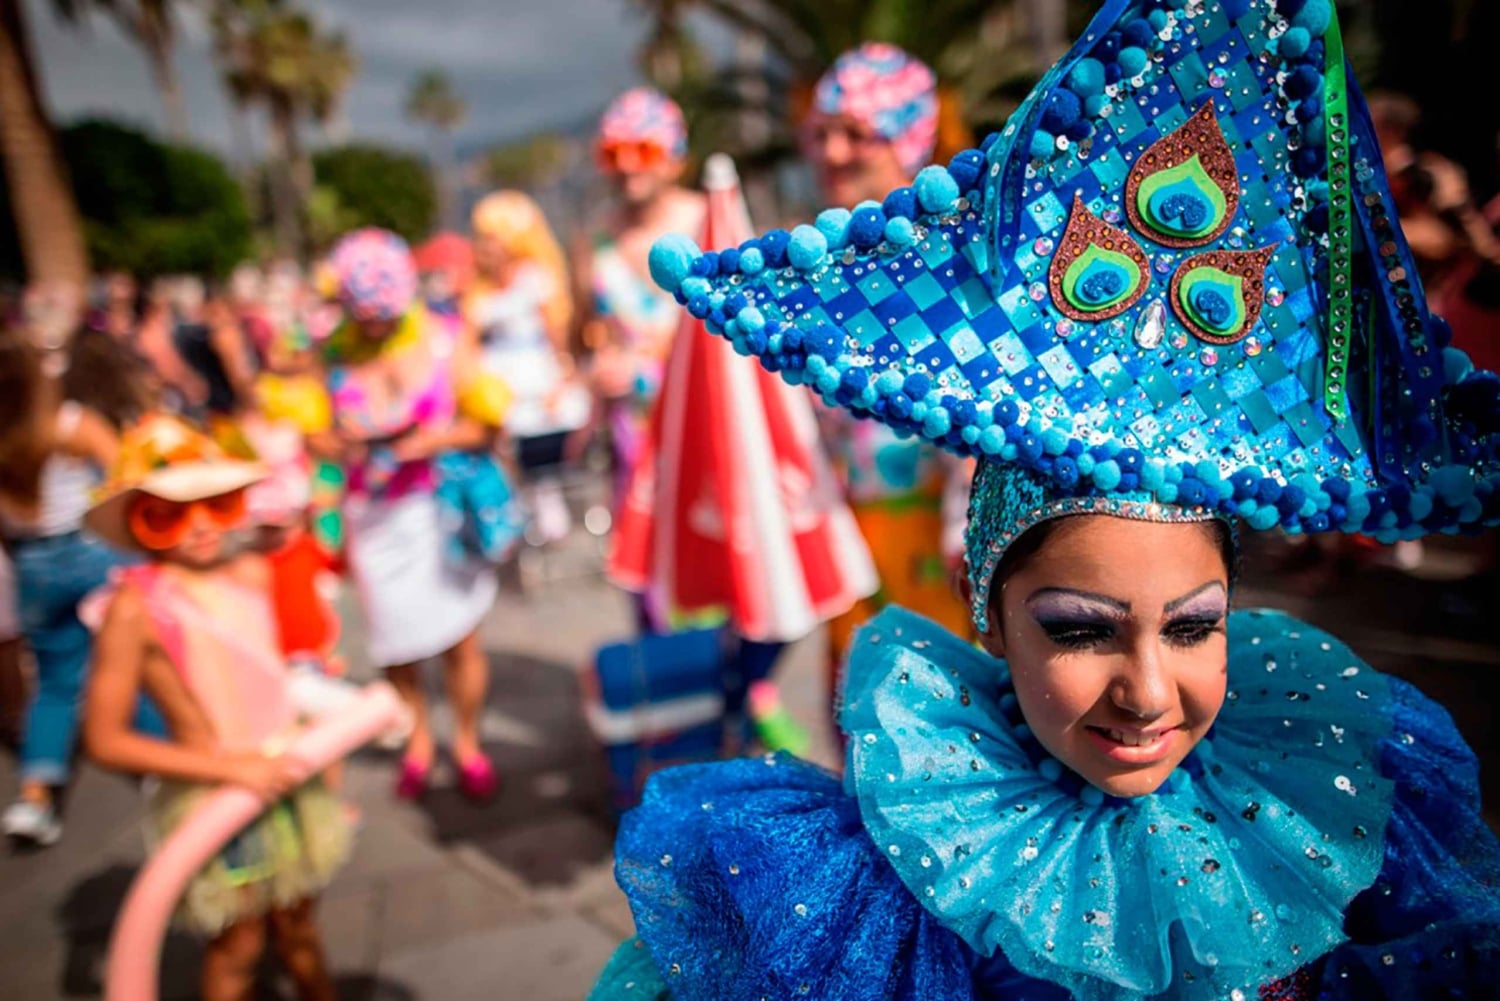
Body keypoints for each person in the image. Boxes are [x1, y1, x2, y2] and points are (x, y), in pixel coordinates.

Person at [589, 1, 1500, 997]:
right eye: (1080, 630)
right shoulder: (874, 894)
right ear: (996, 616)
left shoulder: (1324, 810)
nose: (1148, 690)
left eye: (1196, 625)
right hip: (896, 554)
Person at [80, 415, 347, 1001]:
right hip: (220, 793)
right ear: (136, 522)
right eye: (169, 513)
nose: (198, 525)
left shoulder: (251, 572)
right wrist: (231, 771)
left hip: (290, 779)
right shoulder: (135, 609)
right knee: (238, 948)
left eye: (215, 504)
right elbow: (104, 739)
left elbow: (273, 680)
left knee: (301, 926)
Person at [800, 43, 976, 708]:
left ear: (908, 139)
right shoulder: (815, 258)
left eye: (856, 133)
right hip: (848, 538)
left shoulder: (953, 255)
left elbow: (978, 400)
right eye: (821, 133)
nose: (832, 152)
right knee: (853, 718)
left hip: (938, 544)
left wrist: (968, 522)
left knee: (939, 724)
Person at [317, 228, 517, 801]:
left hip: (438, 510)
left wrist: (429, 441)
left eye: (383, 313)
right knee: (395, 645)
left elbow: (487, 425)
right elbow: (317, 437)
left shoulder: (447, 338)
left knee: (460, 640)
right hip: (373, 515)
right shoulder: (333, 352)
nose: (374, 326)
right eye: (363, 316)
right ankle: (419, 741)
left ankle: (469, 742)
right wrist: (344, 442)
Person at [0, 307, 156, 847]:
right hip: (93, 551)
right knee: (134, 661)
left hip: (32, 563)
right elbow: (128, 479)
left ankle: (36, 795)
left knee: (55, 682)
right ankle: (161, 759)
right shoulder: (70, 423)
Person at [576, 88, 706, 509]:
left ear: (676, 160)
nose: (627, 166)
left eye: (644, 150)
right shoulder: (596, 243)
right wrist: (593, 371)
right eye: (613, 153)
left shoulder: (710, 223)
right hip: (632, 444)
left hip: (705, 424)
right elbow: (580, 337)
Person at [467, 191, 590, 543]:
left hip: (535, 381)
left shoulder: (535, 279)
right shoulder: (479, 288)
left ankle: (541, 505)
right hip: (496, 386)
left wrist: (561, 382)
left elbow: (556, 341)